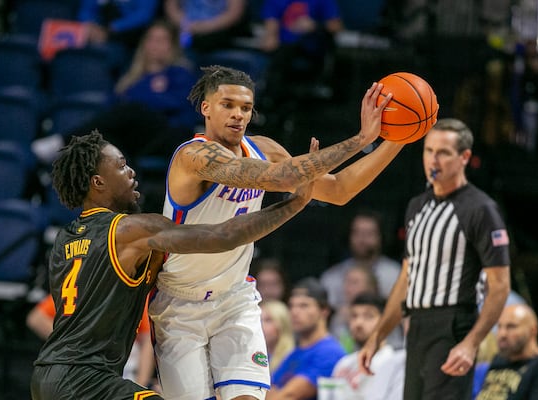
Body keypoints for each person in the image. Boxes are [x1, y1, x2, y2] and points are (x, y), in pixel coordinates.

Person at [149, 64, 406, 400]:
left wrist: (398, 138)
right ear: (206, 108)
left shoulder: (264, 148)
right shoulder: (193, 156)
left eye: (245, 108)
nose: (238, 115)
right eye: (227, 105)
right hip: (180, 304)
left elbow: (340, 190)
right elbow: (282, 179)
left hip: (233, 298)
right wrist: (360, 140)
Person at [29, 130, 316, 399]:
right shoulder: (128, 230)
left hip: (47, 375)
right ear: (97, 182)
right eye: (121, 166)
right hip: (84, 377)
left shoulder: (63, 240)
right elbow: (223, 236)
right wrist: (294, 204)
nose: (131, 172)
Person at [358, 118, 512, 400]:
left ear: (465, 157)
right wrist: (377, 336)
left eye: (443, 152)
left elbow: (500, 285)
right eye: (428, 151)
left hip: (453, 323)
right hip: (416, 325)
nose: (433, 159)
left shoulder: (481, 209)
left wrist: (471, 343)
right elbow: (407, 277)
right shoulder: (417, 205)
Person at [33, 20, 199, 165]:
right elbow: (112, 104)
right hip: (133, 135)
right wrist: (151, 95)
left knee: (132, 110)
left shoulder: (180, 73)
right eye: (151, 39)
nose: (155, 45)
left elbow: (174, 104)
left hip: (167, 134)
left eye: (162, 40)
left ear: (172, 45)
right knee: (108, 140)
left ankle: (64, 141)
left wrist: (138, 97)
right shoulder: (131, 76)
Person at [26, 293, 157, 387]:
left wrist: (142, 383)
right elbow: (36, 319)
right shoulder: (87, 285)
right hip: (84, 372)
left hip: (120, 373)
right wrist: (75, 342)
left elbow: (146, 339)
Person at [319, 209, 401, 345]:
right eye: (357, 233)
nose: (362, 239)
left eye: (369, 233)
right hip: (341, 346)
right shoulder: (331, 277)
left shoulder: (395, 274)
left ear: (380, 237)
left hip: (387, 344)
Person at [268, 277, 345, 400]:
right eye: (291, 306)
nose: (294, 312)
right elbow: (267, 391)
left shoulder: (330, 352)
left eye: (304, 306)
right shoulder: (295, 352)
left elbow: (286, 396)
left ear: (324, 311)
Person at [322, 293, 403, 400]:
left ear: (385, 322)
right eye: (354, 316)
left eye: (368, 316)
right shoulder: (343, 363)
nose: (358, 323)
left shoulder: (392, 362)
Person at [475, 303, 538, 399]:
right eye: (499, 327)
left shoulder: (536, 366)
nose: (502, 334)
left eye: (511, 326)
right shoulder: (499, 360)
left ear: (532, 330)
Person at [260, 300, 295, 375]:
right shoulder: (257, 356)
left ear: (282, 324)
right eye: (258, 320)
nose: (261, 325)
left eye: (268, 320)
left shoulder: (292, 358)